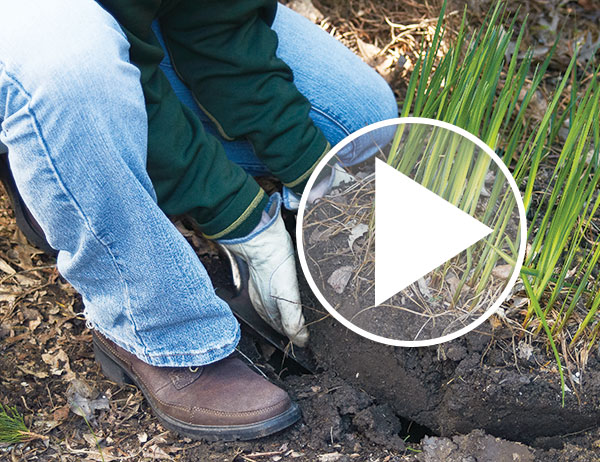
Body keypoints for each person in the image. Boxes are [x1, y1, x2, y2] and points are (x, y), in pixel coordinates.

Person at [0, 0, 397, 441]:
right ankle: (154, 330)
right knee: (69, 69)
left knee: (361, 120)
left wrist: (311, 170)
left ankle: (89, 148)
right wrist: (238, 216)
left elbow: (217, 22)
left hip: (132, 17)